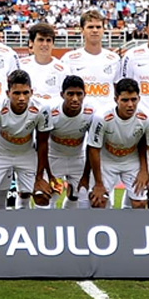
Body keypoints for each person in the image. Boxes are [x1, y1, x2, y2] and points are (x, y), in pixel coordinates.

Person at [86, 78, 149, 210]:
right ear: (116, 99)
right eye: (125, 100)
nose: (130, 105)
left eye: (134, 100)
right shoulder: (102, 117)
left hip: (131, 160)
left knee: (140, 204)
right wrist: (98, 183)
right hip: (106, 160)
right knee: (98, 202)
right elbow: (93, 149)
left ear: (139, 98)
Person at [0, 69, 53, 209]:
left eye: (25, 93)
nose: (22, 98)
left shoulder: (42, 109)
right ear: (8, 93)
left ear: (31, 92)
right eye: (16, 93)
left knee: (43, 196)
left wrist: (40, 177)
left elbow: (42, 143)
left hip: (26, 154)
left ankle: (29, 220)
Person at [46, 75, 98, 207]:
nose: (75, 99)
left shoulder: (92, 112)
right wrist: (45, 173)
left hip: (78, 157)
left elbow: (93, 145)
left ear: (85, 94)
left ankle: (70, 218)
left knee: (81, 197)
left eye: (79, 94)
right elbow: (40, 142)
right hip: (53, 158)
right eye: (70, 94)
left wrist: (86, 174)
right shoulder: (50, 111)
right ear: (62, 94)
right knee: (46, 198)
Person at [59, 9, 120, 105]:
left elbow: (118, 89)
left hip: (106, 113)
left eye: (98, 27)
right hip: (80, 113)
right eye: (90, 27)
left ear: (103, 30)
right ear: (82, 30)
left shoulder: (114, 59)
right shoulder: (68, 59)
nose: (95, 30)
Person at [22, 21, 66, 106]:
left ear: (53, 44)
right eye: (41, 40)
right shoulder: (21, 66)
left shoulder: (63, 69)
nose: (45, 44)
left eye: (48, 40)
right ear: (31, 42)